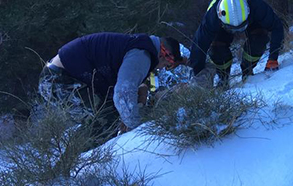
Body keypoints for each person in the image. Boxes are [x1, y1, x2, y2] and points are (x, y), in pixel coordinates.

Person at [39, 32, 185, 133]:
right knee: (106, 119)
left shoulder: (138, 46)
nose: (162, 68)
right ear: (165, 55)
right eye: (167, 65)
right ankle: (67, 167)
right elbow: (123, 93)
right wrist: (137, 128)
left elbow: (126, 87)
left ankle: (75, 161)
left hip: (57, 76)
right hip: (58, 80)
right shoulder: (142, 54)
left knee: (107, 115)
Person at [189, 0, 284, 86]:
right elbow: (198, 46)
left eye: (241, 26)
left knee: (259, 39)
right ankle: (223, 77)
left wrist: (273, 58)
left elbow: (277, 27)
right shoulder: (212, 17)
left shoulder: (257, 6)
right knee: (217, 49)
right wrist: (198, 73)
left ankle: (247, 70)